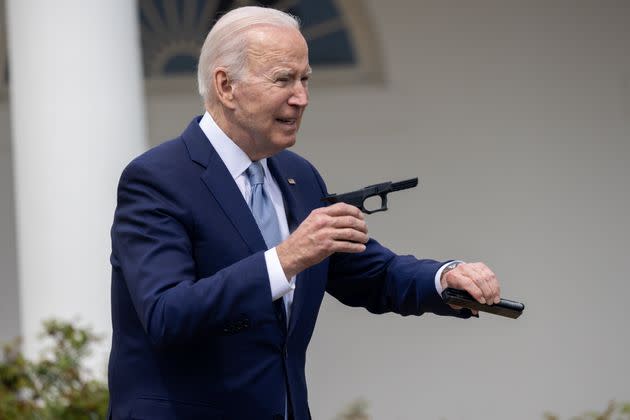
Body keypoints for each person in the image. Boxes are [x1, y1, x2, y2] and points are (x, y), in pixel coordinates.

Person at [108, 6, 501, 420]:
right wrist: (285, 258)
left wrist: (446, 279)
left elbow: (370, 272)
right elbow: (166, 314)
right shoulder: (157, 179)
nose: (302, 98)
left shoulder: (298, 175)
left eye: (305, 79)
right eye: (283, 80)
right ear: (226, 86)